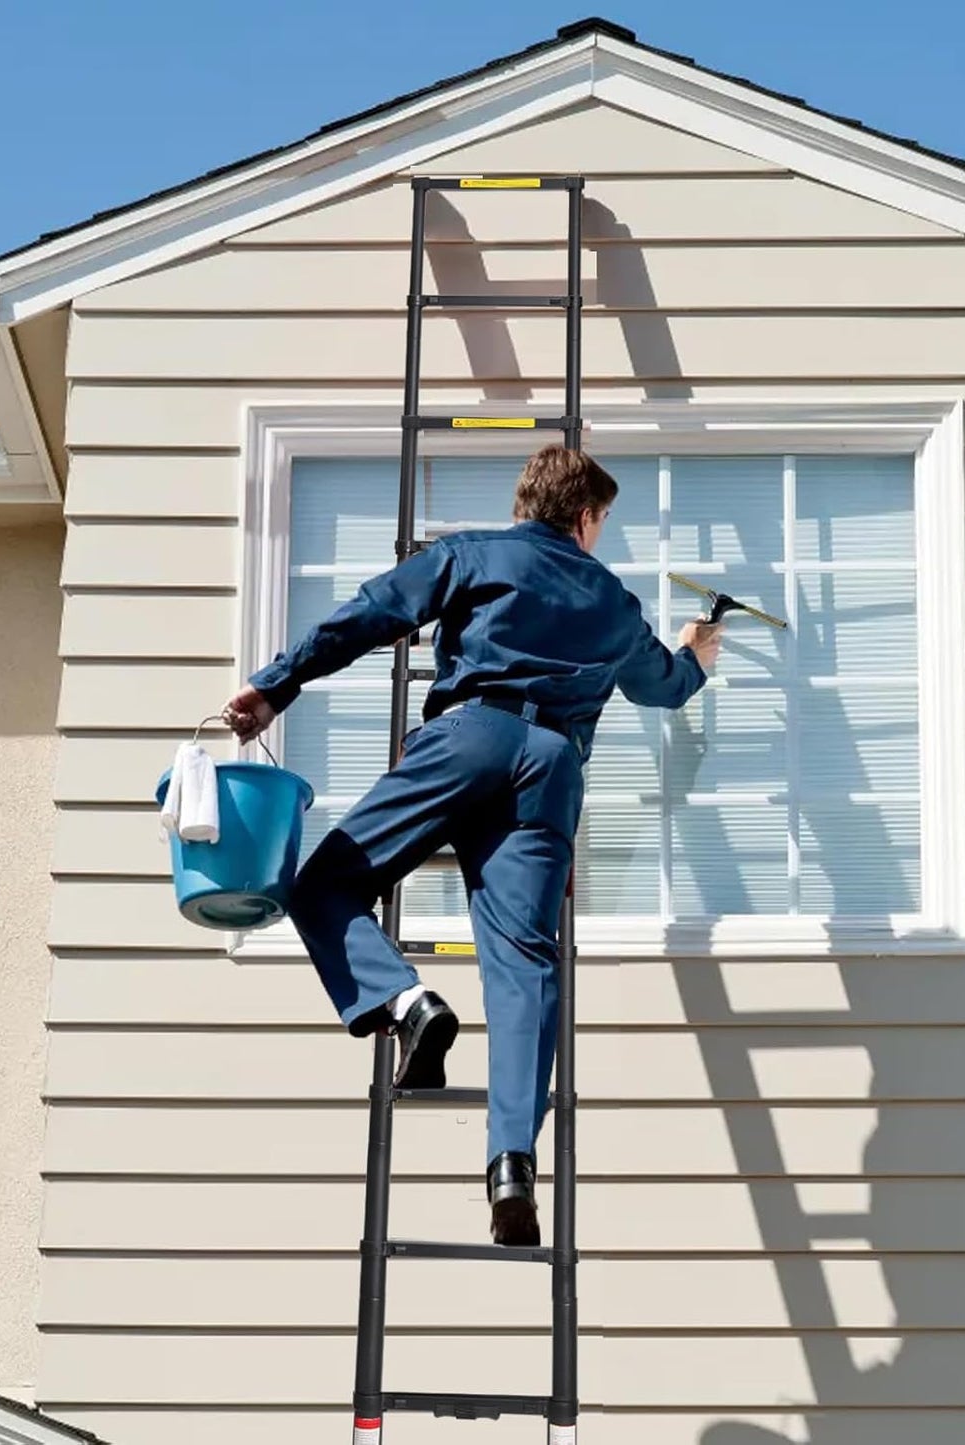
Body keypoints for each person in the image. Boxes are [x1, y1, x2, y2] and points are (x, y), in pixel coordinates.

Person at [221, 445, 721, 1245]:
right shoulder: (613, 601)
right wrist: (696, 659)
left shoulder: (467, 553)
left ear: (525, 504)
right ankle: (511, 1166)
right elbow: (659, 683)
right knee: (523, 963)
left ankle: (406, 1001)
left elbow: (366, 617)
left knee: (322, 886)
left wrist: (277, 683)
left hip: (467, 737)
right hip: (551, 767)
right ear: (586, 517)